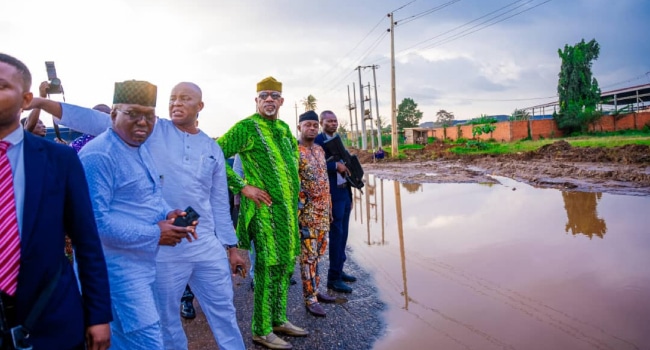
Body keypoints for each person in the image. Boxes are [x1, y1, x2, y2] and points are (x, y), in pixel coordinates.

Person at [29, 81, 246, 350]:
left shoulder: (209, 147)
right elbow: (92, 119)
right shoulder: (151, 133)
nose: (176, 103)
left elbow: (217, 202)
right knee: (163, 322)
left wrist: (230, 246)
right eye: (173, 98)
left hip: (202, 243)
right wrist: (41, 102)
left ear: (200, 106)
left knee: (224, 311)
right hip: (162, 247)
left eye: (185, 98)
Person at [0, 53, 112, 349]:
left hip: (50, 319)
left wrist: (98, 315)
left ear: (25, 100)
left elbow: (86, 241)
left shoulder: (59, 159)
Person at [75, 79, 196, 349]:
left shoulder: (138, 148)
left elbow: (148, 197)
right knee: (147, 342)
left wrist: (170, 212)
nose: (143, 122)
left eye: (149, 116)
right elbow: (95, 222)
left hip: (143, 265)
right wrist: (156, 233)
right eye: (133, 114)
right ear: (114, 114)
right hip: (116, 273)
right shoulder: (99, 155)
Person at [218, 76, 307, 349]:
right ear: (256, 100)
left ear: (281, 101)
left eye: (274, 96)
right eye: (264, 95)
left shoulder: (282, 128)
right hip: (264, 213)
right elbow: (214, 155)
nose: (269, 99)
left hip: (287, 214)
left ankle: (279, 319)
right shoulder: (246, 128)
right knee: (267, 271)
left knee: (284, 267)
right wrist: (243, 186)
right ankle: (261, 329)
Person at [296, 111, 337, 317]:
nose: (312, 128)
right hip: (306, 215)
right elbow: (294, 186)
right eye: (308, 125)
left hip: (323, 213)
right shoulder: (294, 152)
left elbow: (325, 182)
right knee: (308, 258)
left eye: (314, 125)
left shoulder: (320, 150)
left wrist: (329, 208)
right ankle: (310, 298)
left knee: (319, 255)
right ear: (299, 128)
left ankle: (316, 290)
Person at [315, 110, 357, 293]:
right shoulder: (317, 141)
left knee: (344, 235)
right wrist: (334, 166)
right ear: (321, 122)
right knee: (336, 236)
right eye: (330, 121)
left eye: (335, 121)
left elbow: (346, 165)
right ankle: (333, 278)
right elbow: (313, 164)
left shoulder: (338, 139)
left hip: (343, 193)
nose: (334, 123)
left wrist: (351, 196)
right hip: (331, 196)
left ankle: (339, 270)